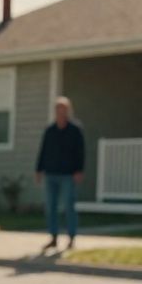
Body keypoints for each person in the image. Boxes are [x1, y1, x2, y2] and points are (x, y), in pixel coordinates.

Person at [35, 96, 85, 251]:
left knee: (69, 206)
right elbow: (43, 150)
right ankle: (53, 237)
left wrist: (79, 170)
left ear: (68, 110)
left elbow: (81, 152)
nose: (60, 111)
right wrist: (38, 169)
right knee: (51, 207)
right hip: (51, 173)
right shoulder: (50, 130)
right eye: (58, 108)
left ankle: (71, 238)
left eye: (63, 108)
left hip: (68, 174)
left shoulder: (75, 130)